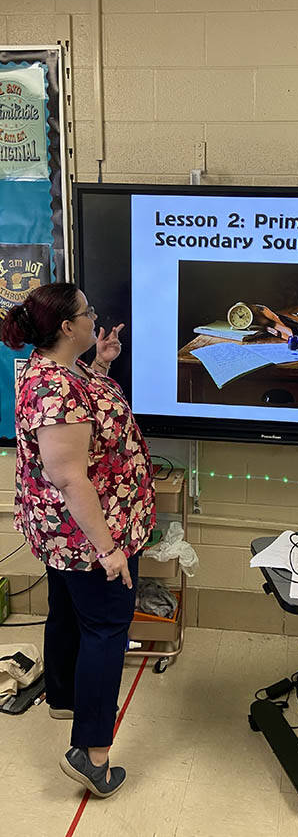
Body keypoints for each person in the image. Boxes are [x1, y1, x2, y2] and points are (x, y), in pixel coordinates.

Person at [1, 282, 155, 798]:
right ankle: (93, 755)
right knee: (107, 629)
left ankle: (65, 696)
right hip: (88, 537)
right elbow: (69, 475)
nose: (96, 319)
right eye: (89, 313)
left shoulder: (60, 372)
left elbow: (88, 419)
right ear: (67, 326)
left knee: (68, 613)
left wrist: (104, 363)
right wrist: (109, 550)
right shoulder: (55, 388)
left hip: (63, 535)